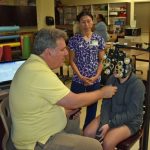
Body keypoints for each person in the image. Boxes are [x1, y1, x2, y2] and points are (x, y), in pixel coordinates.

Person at [9, 28, 117, 150]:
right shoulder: (38, 73)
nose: (66, 53)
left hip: (41, 127)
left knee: (74, 121)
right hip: (38, 141)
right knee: (95, 146)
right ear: (49, 52)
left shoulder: (33, 65)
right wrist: (102, 93)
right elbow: (73, 101)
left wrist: (63, 112)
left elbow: (44, 104)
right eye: (62, 50)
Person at [83, 51, 145, 150]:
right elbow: (106, 104)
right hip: (112, 114)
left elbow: (132, 113)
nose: (115, 69)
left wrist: (110, 124)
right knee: (87, 133)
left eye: (118, 65)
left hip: (130, 121)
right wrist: (104, 122)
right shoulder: (112, 79)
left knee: (108, 142)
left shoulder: (137, 85)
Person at [67, 11, 106, 129]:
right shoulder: (74, 40)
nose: (86, 24)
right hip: (78, 80)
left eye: (88, 21)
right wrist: (80, 76)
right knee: (73, 107)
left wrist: (96, 76)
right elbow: (71, 60)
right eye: (83, 22)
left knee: (92, 108)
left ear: (92, 22)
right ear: (79, 23)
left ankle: (87, 131)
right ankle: (72, 130)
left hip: (94, 80)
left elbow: (102, 60)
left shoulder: (98, 39)